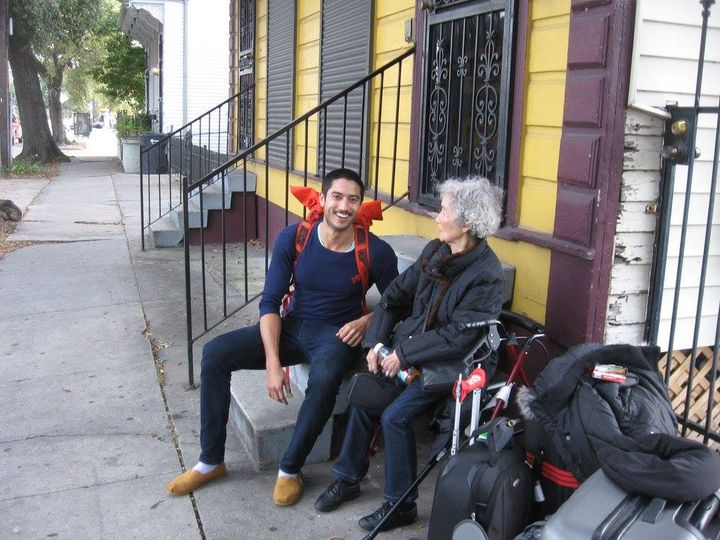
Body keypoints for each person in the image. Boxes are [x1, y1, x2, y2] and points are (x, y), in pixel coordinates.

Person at [166, 168, 399, 505]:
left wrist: (366, 320)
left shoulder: (375, 251)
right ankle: (210, 461)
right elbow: (270, 302)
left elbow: (398, 304)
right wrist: (273, 362)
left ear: (359, 205)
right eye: (337, 196)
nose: (344, 206)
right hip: (292, 327)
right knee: (216, 352)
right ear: (323, 199)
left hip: (336, 336)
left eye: (352, 199)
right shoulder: (295, 237)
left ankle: (290, 469)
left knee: (325, 380)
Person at [314, 175, 505, 532]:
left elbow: (458, 339)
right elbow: (394, 297)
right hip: (410, 352)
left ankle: (401, 505)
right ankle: (347, 479)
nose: (437, 217)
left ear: (465, 223)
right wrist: (374, 343)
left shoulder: (486, 275)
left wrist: (403, 353)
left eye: (443, 211)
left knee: (395, 416)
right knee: (365, 393)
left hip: (450, 365)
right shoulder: (436, 251)